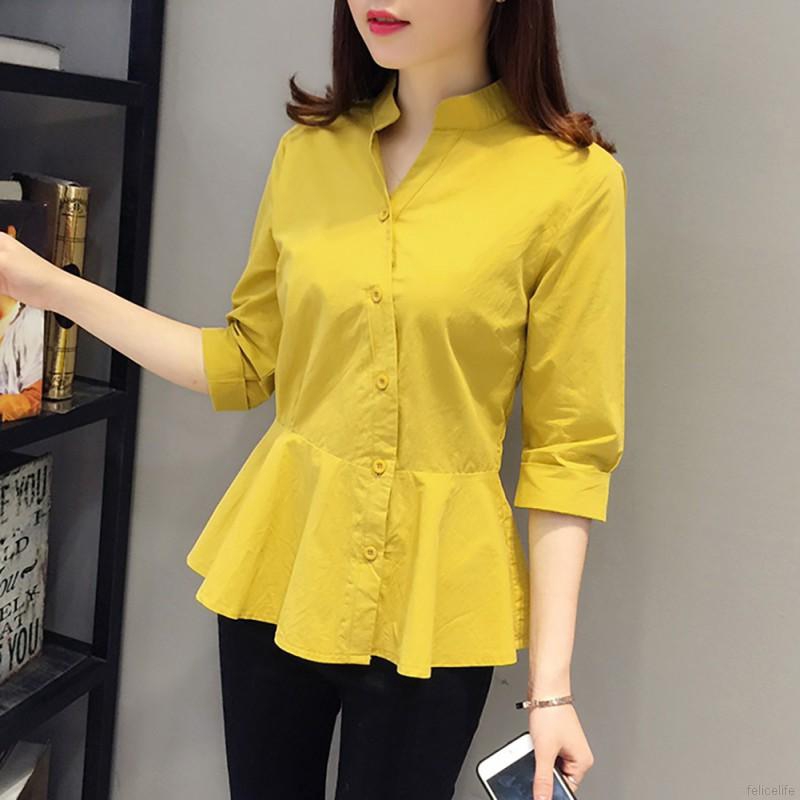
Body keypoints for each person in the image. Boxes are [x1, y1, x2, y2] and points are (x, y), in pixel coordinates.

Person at [0, 0, 628, 797]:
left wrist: (552, 691)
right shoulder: (308, 154)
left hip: (434, 607)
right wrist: (46, 285)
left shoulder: (572, 184)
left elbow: (569, 453)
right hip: (281, 574)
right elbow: (243, 362)